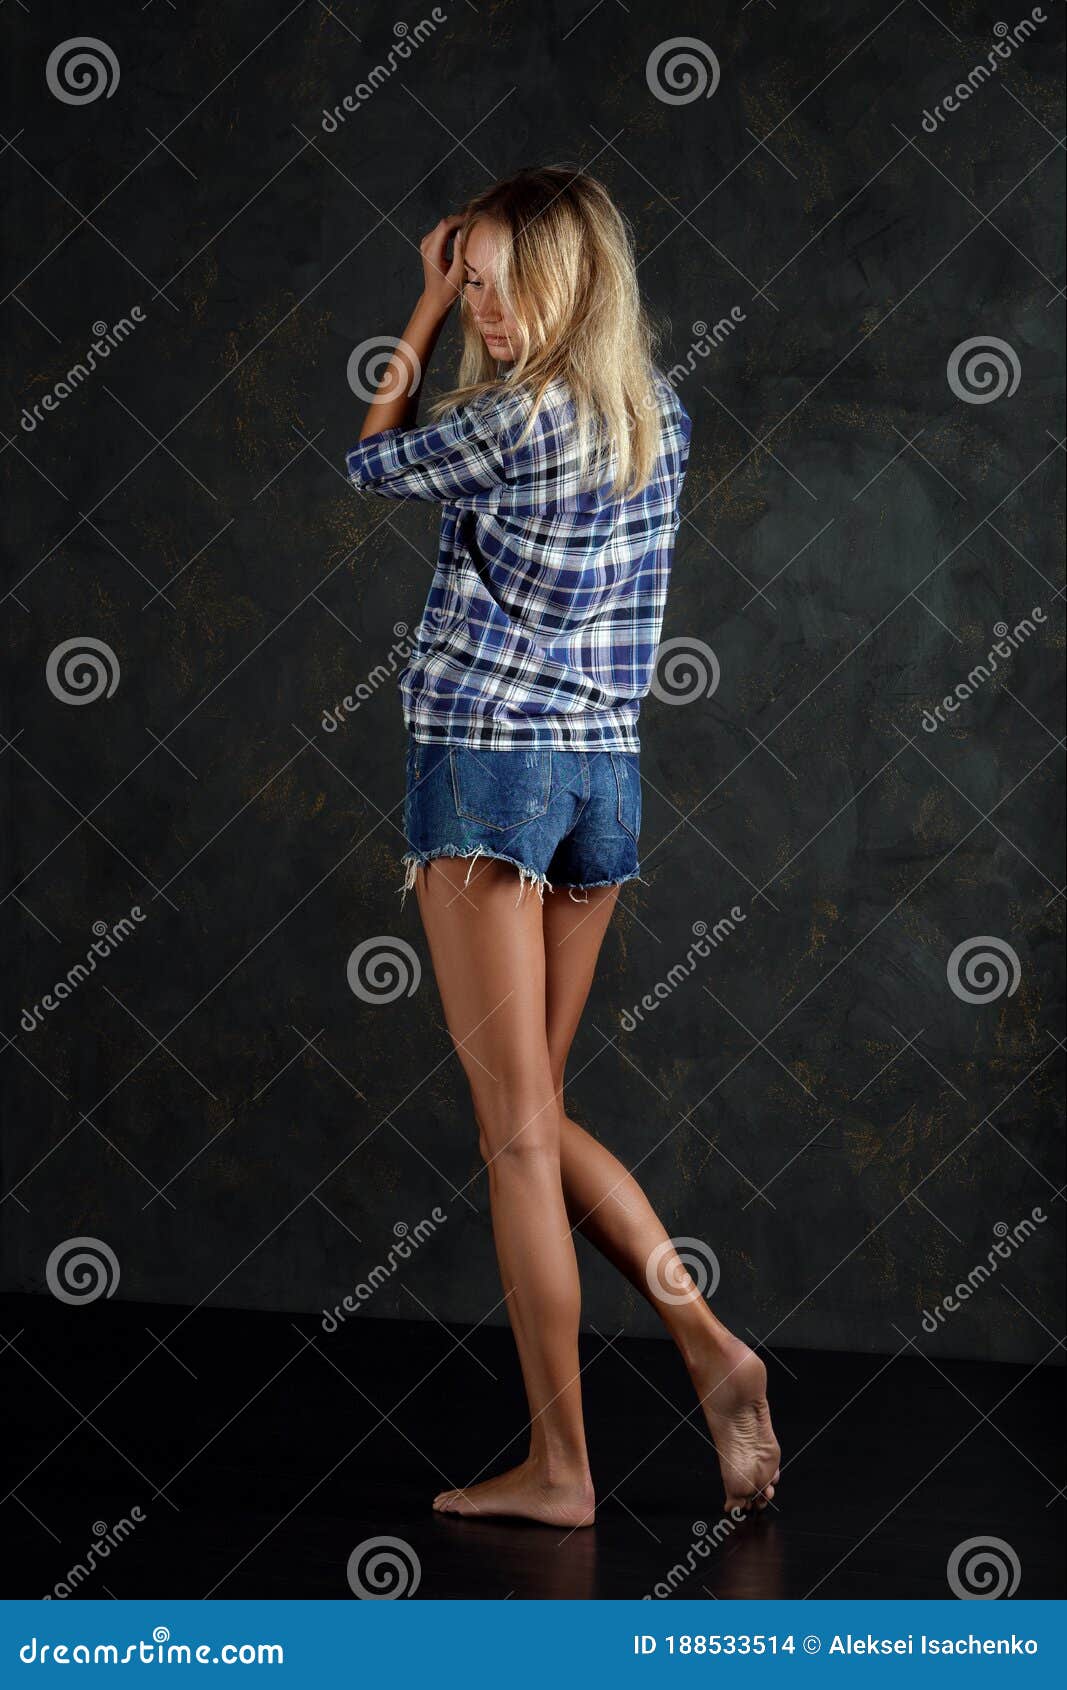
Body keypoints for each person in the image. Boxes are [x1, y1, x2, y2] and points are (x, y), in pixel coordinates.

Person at [345, 166, 780, 1528]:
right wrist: (459, 282)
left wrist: (412, 310)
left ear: (567, 281)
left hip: (487, 773)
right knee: (533, 1118)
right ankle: (701, 1338)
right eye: (464, 278)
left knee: (515, 1141)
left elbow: (368, 457)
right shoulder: (664, 417)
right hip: (604, 782)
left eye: (494, 279)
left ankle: (563, 1471)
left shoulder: (509, 421)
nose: (478, 301)